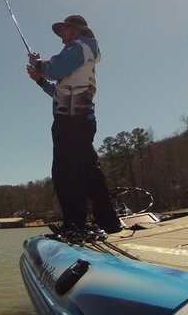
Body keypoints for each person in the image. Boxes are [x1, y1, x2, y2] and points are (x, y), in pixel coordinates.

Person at [26, 14, 122, 234]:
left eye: (63, 31)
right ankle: (108, 220)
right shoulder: (81, 52)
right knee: (89, 170)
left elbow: (55, 70)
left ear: (75, 29)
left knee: (64, 171)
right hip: (78, 119)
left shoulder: (79, 47)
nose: (61, 36)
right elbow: (59, 91)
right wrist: (40, 80)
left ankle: (75, 224)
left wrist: (37, 64)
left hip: (71, 122)